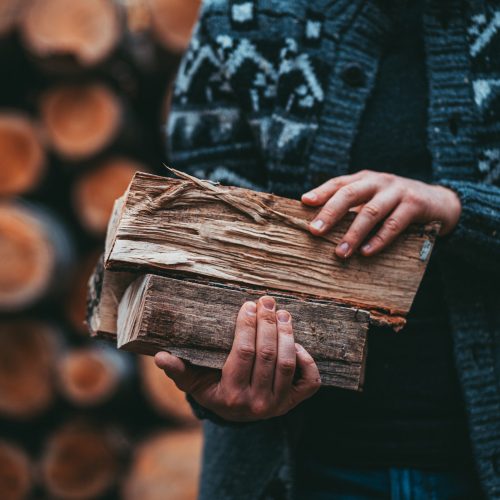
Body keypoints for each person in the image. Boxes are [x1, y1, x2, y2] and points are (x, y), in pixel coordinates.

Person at [154, 0, 500, 498]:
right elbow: (204, 251)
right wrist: (219, 381)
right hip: (301, 468)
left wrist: (458, 209)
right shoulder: (241, 17)